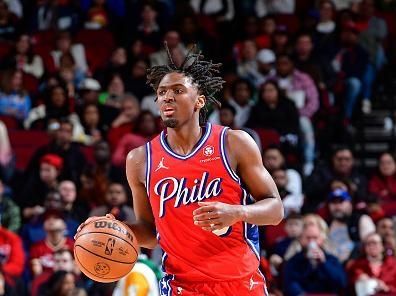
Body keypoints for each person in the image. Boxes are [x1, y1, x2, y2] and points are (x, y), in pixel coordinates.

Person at [77, 45, 284, 295]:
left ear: (199, 101)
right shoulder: (140, 159)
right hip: (181, 285)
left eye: (178, 90)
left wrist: (237, 212)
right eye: (161, 92)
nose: (167, 97)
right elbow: (151, 232)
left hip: (240, 282)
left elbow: (275, 210)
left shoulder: (234, 143)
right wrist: (109, 230)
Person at [283, 221, 346, 296]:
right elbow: (290, 284)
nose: (312, 242)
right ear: (301, 239)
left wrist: (324, 263)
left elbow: (341, 283)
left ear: (322, 239)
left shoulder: (331, 259)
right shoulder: (293, 261)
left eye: (315, 238)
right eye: (308, 238)